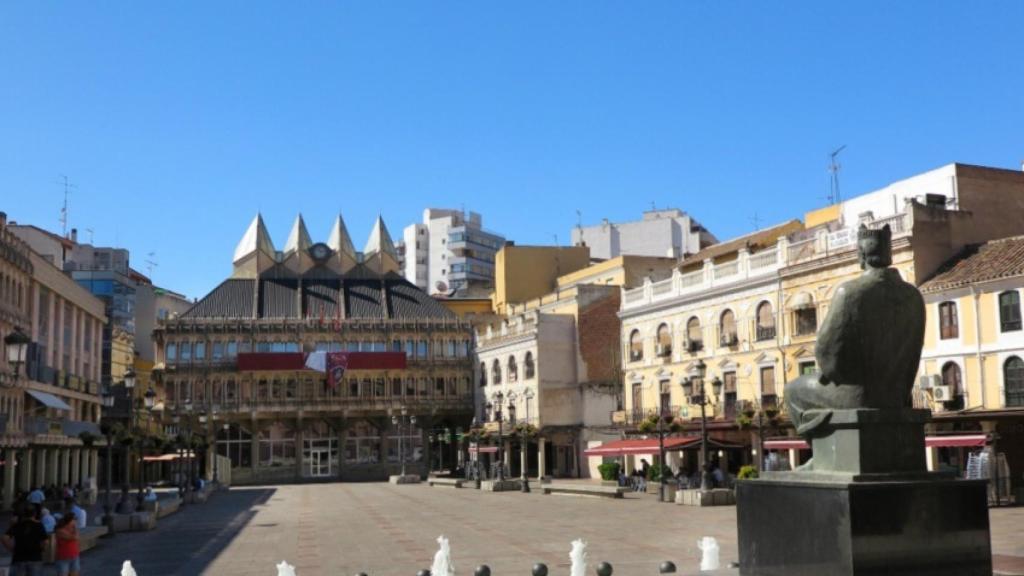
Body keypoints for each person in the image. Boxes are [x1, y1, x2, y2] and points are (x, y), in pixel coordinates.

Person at [3, 503, 48, 576]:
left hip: (19, 557)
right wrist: (42, 548)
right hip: (35, 557)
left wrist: (11, 548)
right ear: (35, 514)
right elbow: (45, 541)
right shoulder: (38, 525)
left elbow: (4, 538)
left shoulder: (17, 525)